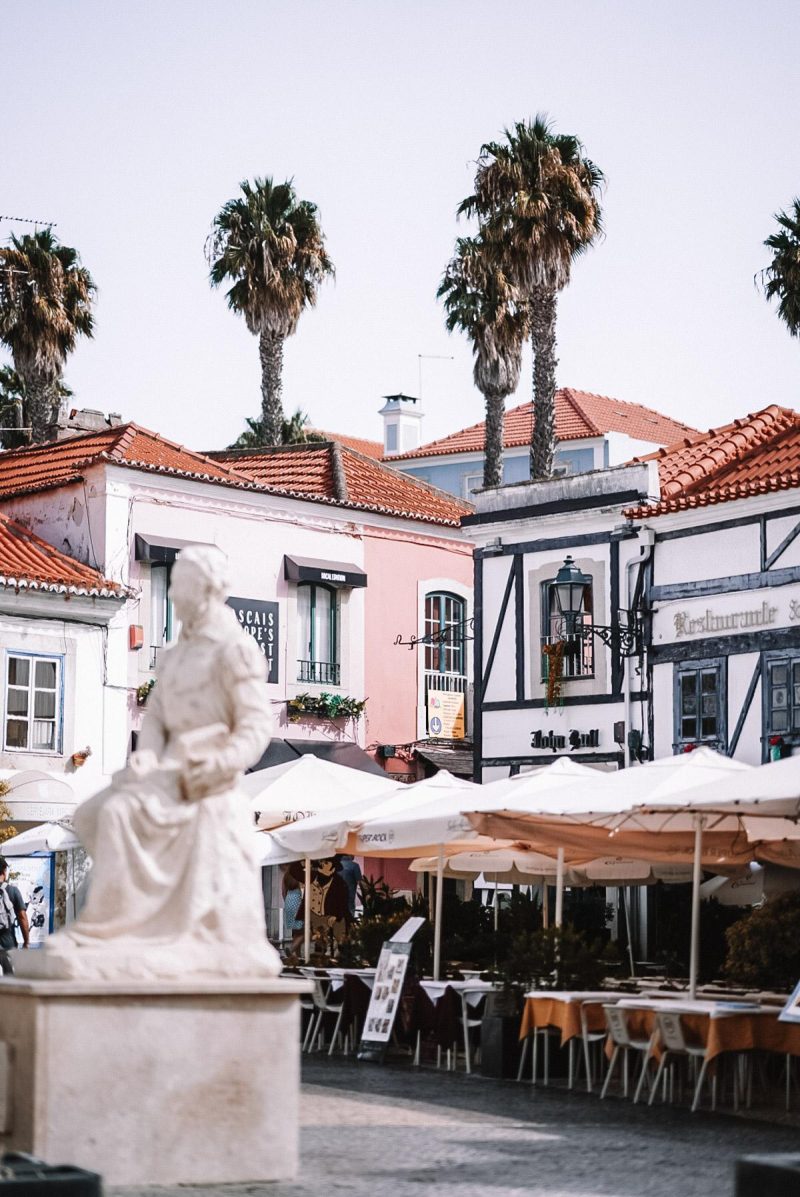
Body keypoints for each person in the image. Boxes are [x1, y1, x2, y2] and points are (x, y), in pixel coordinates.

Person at [18, 544, 281, 982]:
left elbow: (255, 728)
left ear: (206, 591)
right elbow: (156, 720)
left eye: (179, 585)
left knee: (118, 814)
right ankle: (126, 926)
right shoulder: (176, 655)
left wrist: (218, 766)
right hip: (165, 774)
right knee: (90, 813)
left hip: (204, 779)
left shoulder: (234, 651)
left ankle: (116, 928)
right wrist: (144, 759)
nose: (173, 595)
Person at [0, 856, 30, 975]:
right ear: (4, 871)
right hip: (8, 941)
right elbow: (22, 917)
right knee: (10, 974)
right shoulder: (13, 891)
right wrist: (26, 941)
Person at [335, 854, 362, 920]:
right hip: (349, 893)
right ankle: (349, 927)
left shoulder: (335, 865)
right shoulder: (354, 865)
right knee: (350, 910)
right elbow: (359, 881)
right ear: (350, 855)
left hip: (336, 893)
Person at [281, 867, 304, 945]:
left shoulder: (285, 876)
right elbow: (303, 889)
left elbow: (283, 891)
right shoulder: (299, 875)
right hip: (298, 901)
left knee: (295, 932)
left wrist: (287, 901)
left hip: (288, 900)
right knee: (303, 933)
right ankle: (291, 950)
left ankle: (297, 955)